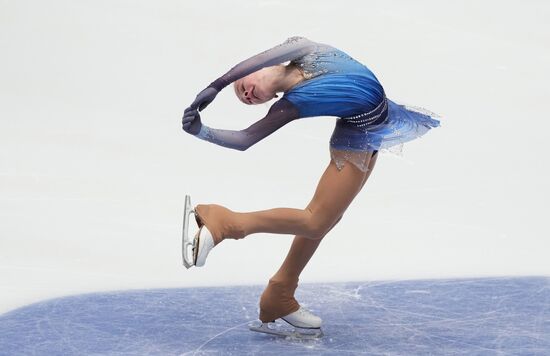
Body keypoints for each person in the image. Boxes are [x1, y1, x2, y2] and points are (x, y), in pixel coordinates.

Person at [181, 36, 441, 334]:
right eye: (247, 99)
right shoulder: (293, 103)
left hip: (374, 131)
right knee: (316, 221)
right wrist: (202, 131)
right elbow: (245, 140)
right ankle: (225, 222)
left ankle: (279, 293)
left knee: (329, 219)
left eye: (243, 87)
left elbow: (252, 61)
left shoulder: (306, 50)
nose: (247, 94)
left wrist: (218, 85)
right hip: (355, 138)